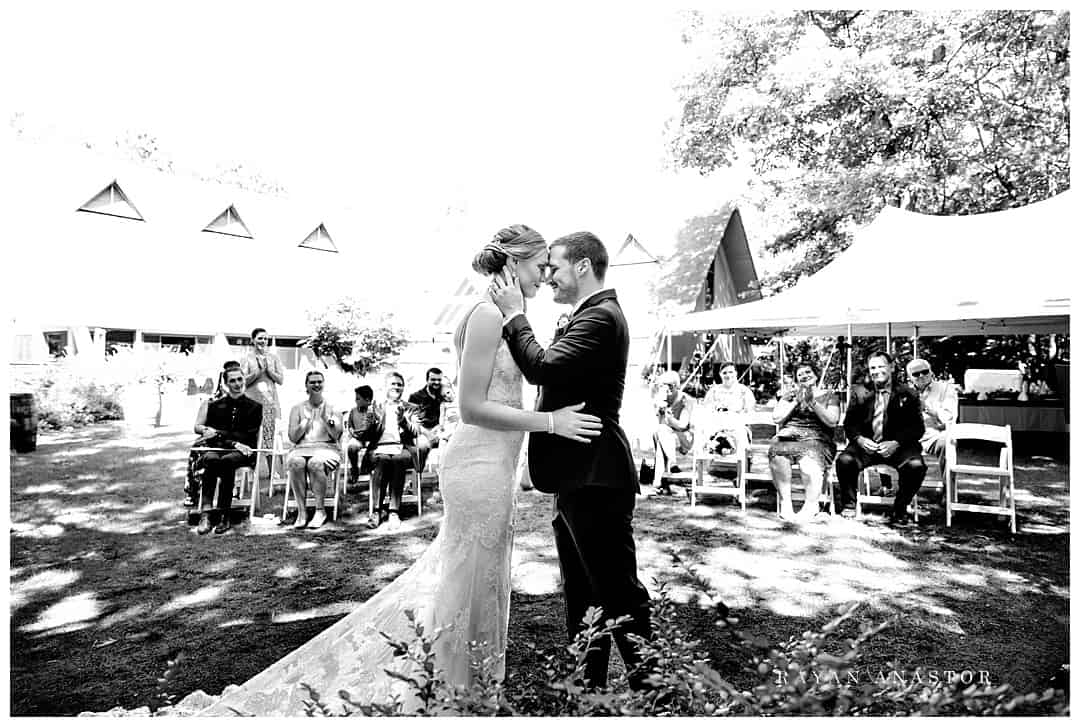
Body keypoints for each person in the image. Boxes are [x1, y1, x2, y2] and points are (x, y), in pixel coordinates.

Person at [199, 224, 601, 715]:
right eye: (540, 263)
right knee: (468, 581)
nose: (545, 274)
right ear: (513, 264)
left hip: (495, 466)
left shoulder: (505, 316)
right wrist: (549, 422)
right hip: (476, 466)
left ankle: (469, 689)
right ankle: (450, 693)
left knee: (484, 580)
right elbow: (471, 406)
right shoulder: (483, 316)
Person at [492, 230, 654, 692]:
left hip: (597, 477)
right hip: (576, 477)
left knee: (618, 593)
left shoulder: (601, 317)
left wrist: (515, 317)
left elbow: (542, 368)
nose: (547, 278)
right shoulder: (586, 315)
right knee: (584, 597)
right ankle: (588, 694)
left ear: (582, 266)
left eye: (554, 267)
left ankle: (655, 693)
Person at [835, 351, 927, 525]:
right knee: (844, 461)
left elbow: (917, 428)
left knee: (916, 467)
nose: (876, 371)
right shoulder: (859, 391)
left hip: (898, 447)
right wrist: (860, 440)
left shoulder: (908, 393)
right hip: (866, 446)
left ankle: (900, 508)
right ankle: (849, 504)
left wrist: (896, 443)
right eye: (872, 368)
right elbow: (849, 424)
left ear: (891, 367)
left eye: (881, 366)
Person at [192, 363, 263, 535]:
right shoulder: (216, 406)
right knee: (210, 459)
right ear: (226, 384)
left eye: (240, 379)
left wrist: (222, 436)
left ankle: (224, 513)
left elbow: (247, 437)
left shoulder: (255, 407)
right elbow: (212, 434)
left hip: (244, 452)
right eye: (233, 381)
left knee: (227, 462)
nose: (238, 384)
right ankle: (207, 513)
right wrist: (228, 440)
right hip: (219, 448)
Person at [768, 362, 841, 521]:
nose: (805, 375)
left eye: (808, 371)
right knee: (777, 451)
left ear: (816, 374)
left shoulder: (830, 395)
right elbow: (777, 418)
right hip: (790, 436)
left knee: (809, 458)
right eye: (800, 374)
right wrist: (796, 401)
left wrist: (812, 402)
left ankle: (811, 505)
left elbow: (832, 421)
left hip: (817, 438)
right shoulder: (789, 395)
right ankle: (786, 503)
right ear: (796, 378)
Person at [284, 370, 344, 531]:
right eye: (312, 382)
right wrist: (304, 423)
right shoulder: (297, 408)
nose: (316, 385)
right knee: (296, 463)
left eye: (319, 382)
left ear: (323, 384)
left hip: (327, 448)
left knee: (315, 463)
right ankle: (301, 512)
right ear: (306, 386)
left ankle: (320, 510)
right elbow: (293, 438)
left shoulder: (332, 408)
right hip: (302, 447)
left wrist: (326, 419)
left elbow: (336, 435)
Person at [364, 371, 423, 531]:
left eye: (399, 384)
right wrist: (376, 421)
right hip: (379, 448)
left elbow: (416, 432)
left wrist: (403, 421)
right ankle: (376, 511)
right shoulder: (374, 407)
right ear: (385, 386)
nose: (396, 387)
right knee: (383, 460)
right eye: (393, 384)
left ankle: (393, 512)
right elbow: (367, 435)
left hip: (402, 447)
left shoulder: (411, 408)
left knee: (398, 459)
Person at [184, 361, 238, 508]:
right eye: (229, 381)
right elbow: (197, 426)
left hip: (234, 442)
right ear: (222, 382)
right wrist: (207, 430)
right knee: (197, 449)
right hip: (212, 440)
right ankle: (192, 491)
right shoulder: (210, 402)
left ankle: (229, 490)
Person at [241, 328, 285, 476]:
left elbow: (280, 380)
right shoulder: (247, 358)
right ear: (253, 340)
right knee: (250, 437)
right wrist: (258, 372)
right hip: (251, 404)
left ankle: (273, 473)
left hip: (270, 403)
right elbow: (242, 383)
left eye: (266, 339)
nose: (263, 341)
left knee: (269, 437)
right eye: (260, 338)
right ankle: (250, 470)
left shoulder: (274, 357)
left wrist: (269, 371)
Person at [906, 357, 957, 484]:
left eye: (925, 371)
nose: (921, 376)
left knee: (946, 442)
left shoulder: (945, 389)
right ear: (910, 378)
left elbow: (949, 418)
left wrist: (927, 408)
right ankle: (888, 487)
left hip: (934, 436)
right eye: (916, 374)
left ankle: (948, 490)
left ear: (931, 372)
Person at [650, 369, 694, 496]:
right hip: (667, 438)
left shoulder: (686, 400)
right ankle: (668, 471)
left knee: (661, 436)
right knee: (661, 433)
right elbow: (661, 424)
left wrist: (669, 418)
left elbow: (683, 425)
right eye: (662, 386)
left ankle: (658, 483)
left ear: (675, 386)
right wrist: (660, 411)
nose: (664, 389)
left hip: (684, 437)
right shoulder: (660, 401)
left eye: (668, 386)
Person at [701, 361, 756, 456]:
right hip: (717, 421)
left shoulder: (744, 391)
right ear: (720, 374)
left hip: (737, 421)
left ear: (736, 373)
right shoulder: (714, 391)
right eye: (725, 373)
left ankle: (740, 464)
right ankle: (705, 462)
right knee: (704, 433)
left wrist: (739, 419)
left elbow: (749, 412)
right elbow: (707, 409)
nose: (728, 375)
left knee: (740, 434)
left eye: (731, 372)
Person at [406, 366, 455, 472]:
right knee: (422, 447)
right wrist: (428, 434)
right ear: (427, 380)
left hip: (441, 432)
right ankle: (418, 477)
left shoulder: (443, 395)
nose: (436, 382)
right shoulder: (416, 397)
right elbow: (412, 421)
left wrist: (439, 430)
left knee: (455, 443)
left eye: (439, 379)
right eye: (433, 379)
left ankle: (447, 476)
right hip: (422, 433)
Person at [344, 384, 376, 484]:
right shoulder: (353, 411)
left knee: (375, 449)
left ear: (367, 400)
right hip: (358, 438)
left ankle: (366, 466)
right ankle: (354, 468)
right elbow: (349, 425)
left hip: (371, 438)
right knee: (351, 447)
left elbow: (376, 428)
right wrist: (352, 432)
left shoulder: (373, 412)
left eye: (358, 399)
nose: (355, 401)